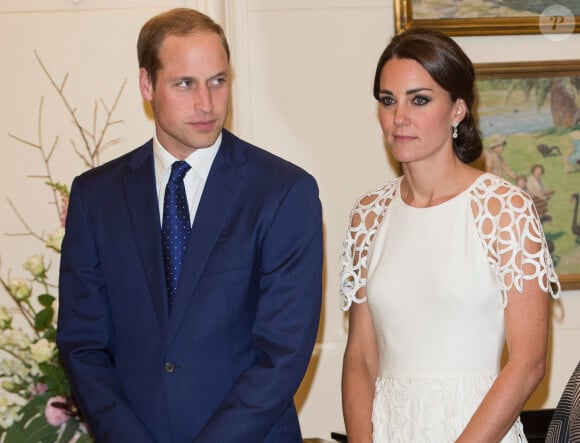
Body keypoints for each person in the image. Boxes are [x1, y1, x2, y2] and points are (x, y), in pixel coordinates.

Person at [56, 8, 323, 443]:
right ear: (147, 84)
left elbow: (283, 354)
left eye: (218, 81)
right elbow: (82, 344)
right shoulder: (96, 196)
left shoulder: (283, 192)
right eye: (185, 84)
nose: (206, 103)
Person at [340, 27, 560, 443]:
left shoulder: (505, 209)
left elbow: (529, 361)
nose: (399, 117)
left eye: (419, 99)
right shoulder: (367, 215)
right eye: (388, 101)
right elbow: (361, 357)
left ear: (457, 109)